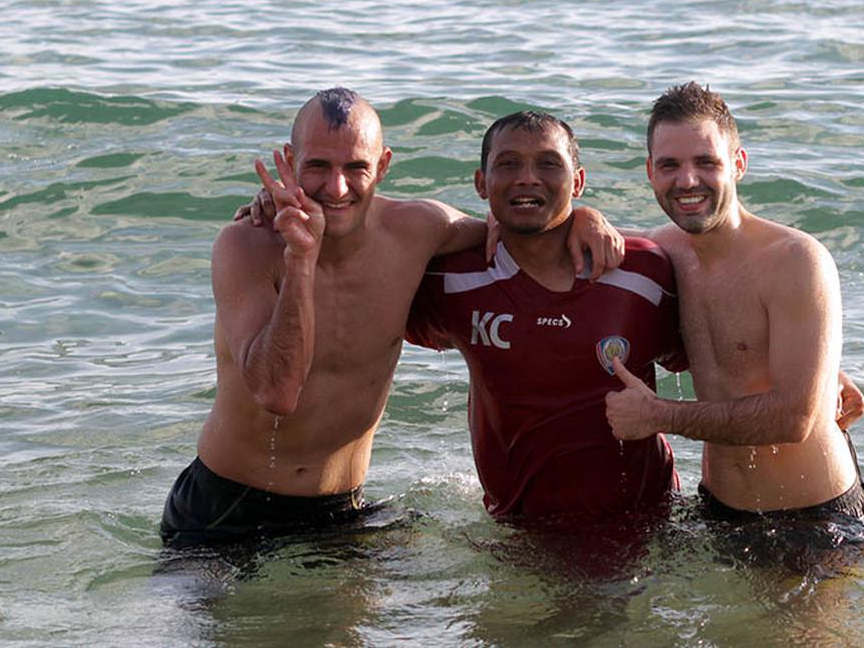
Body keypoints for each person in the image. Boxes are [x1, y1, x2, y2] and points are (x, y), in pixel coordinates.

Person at [160, 88, 621, 548]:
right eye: (318, 166)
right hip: (224, 511)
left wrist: (584, 218)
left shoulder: (419, 231)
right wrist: (301, 258)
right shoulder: (247, 246)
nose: (336, 187)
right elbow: (276, 392)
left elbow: (525, 233)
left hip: (342, 511)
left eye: (355, 167)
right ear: (290, 160)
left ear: (382, 165)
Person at [605, 82, 864, 533]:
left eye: (706, 162)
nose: (687, 180)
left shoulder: (795, 259)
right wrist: (581, 218)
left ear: (738, 164)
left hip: (813, 517)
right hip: (717, 509)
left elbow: (794, 418)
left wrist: (659, 416)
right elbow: (566, 246)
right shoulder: (664, 252)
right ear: (650, 172)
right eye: (670, 165)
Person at [405, 111, 685, 520]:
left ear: (578, 181)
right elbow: (362, 262)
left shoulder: (643, 272)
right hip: (517, 531)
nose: (527, 178)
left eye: (548, 164)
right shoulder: (452, 280)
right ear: (481, 183)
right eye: (508, 164)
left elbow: (724, 369)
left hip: (648, 527)